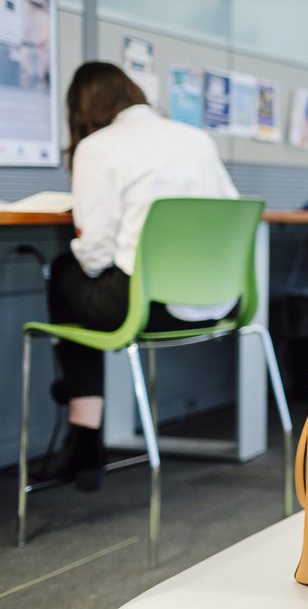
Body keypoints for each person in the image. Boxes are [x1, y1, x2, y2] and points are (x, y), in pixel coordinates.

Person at [38, 62, 239, 491]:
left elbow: (93, 257)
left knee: (64, 272)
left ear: (82, 107)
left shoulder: (98, 146)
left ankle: (85, 437)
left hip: (148, 308)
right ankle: (85, 441)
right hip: (219, 301)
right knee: (84, 277)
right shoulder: (197, 139)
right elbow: (233, 211)